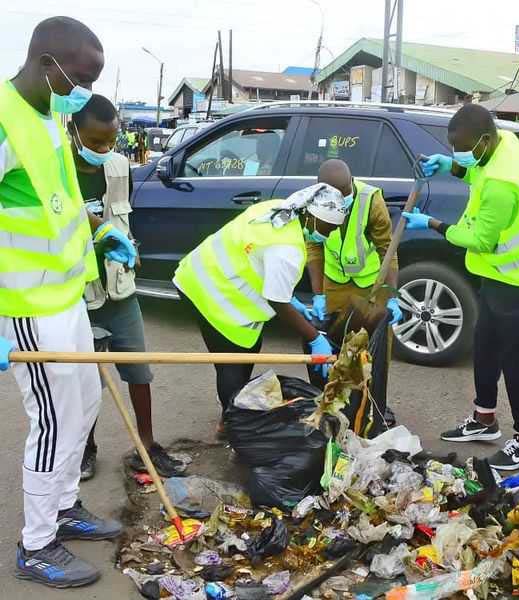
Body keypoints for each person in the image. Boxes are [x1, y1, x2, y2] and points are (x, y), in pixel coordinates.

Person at [0, 16, 138, 588]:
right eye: (79, 78)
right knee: (53, 420)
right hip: (27, 304)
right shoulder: (5, 122)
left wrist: (97, 229)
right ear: (46, 63)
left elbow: (53, 202)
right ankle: (35, 546)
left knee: (82, 405)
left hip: (67, 297)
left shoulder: (52, 117)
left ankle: (62, 507)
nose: (82, 91)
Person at [403, 104, 519, 471]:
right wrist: (451, 165)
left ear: (485, 141)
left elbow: (480, 240)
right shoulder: (502, 142)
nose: (460, 154)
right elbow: (477, 168)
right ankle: (484, 418)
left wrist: (432, 223)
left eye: (463, 149)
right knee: (485, 341)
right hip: (502, 272)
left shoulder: (501, 185)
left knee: (515, 359)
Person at [68, 94, 185, 481]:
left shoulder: (120, 167)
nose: (105, 150)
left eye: (111, 141)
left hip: (119, 288)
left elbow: (123, 219)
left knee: (138, 370)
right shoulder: (57, 170)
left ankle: (146, 446)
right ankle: (85, 447)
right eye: (97, 142)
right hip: (77, 295)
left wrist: (129, 246)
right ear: (73, 131)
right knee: (86, 381)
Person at [173, 183, 347, 429]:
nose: (328, 235)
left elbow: (261, 263)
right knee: (232, 359)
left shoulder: (278, 209)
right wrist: (314, 338)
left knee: (249, 349)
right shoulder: (288, 249)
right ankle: (234, 426)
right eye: (328, 228)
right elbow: (277, 302)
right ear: (311, 217)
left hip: (206, 274)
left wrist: (293, 300)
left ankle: (234, 414)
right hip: (209, 291)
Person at [308, 159, 401, 330]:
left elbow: (387, 249)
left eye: (345, 194)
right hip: (334, 282)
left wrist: (391, 295)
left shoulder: (371, 201)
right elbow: (314, 246)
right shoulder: (314, 200)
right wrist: (318, 294)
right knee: (331, 339)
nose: (343, 201)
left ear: (352, 180)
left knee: (368, 344)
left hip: (370, 284)